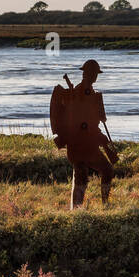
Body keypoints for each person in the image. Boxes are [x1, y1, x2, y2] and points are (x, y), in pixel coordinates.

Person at [51, 59, 117, 209]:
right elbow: (81, 122)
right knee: (87, 175)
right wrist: (99, 136)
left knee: (96, 172)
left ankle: (94, 206)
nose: (94, 76)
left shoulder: (88, 92)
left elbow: (90, 121)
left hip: (85, 145)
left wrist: (99, 136)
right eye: (93, 73)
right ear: (86, 74)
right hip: (80, 144)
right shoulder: (79, 93)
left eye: (95, 74)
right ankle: (84, 209)